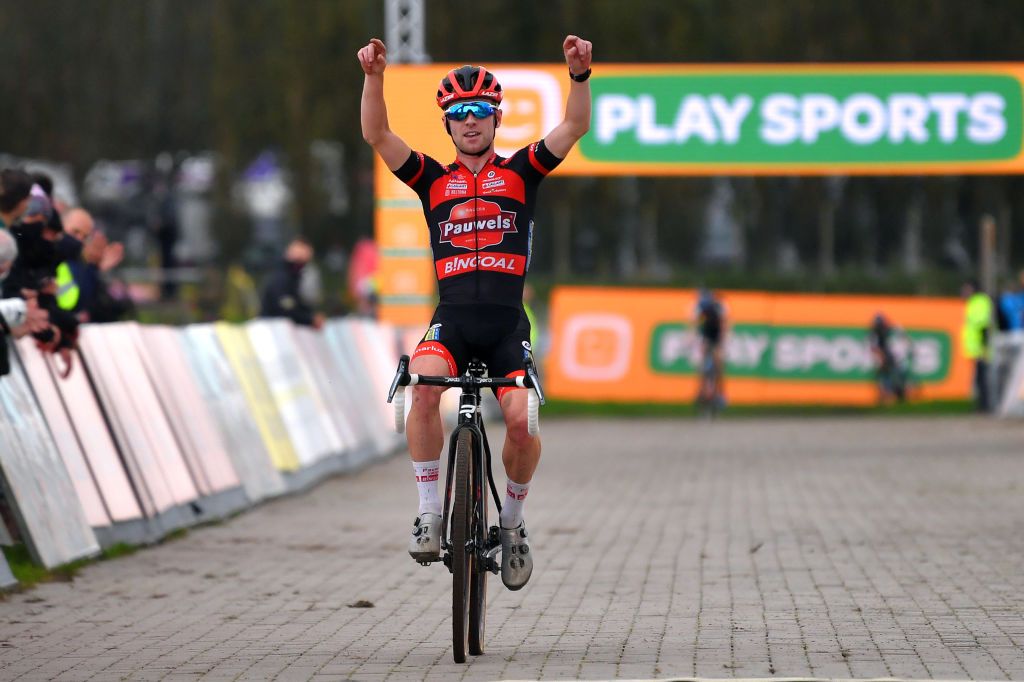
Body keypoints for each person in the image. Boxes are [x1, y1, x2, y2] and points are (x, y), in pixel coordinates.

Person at [358, 34, 592, 590]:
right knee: (422, 389)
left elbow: (573, 127)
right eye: (459, 113)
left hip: (507, 324)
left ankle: (511, 525)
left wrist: (579, 76)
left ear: (495, 118)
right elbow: (377, 134)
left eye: (480, 111)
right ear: (447, 123)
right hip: (454, 321)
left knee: (519, 420)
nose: (470, 121)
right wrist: (373, 76)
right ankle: (429, 514)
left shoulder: (523, 171)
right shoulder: (432, 180)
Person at [259, 237, 325, 329]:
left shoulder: (293, 277)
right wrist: (310, 319)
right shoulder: (281, 278)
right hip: (274, 330)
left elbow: (295, 304)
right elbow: (285, 309)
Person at [961, 279, 993, 412]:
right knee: (980, 379)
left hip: (982, 349)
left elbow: (983, 326)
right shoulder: (974, 303)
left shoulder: (979, 302)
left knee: (984, 379)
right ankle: (982, 405)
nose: (963, 292)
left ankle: (986, 406)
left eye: (966, 289)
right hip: (978, 349)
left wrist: (983, 349)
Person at [693, 288, 727, 409]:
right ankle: (701, 391)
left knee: (718, 365)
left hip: (716, 336)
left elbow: (723, 325)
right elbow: (697, 325)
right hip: (706, 336)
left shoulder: (719, 308)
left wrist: (721, 341)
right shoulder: (701, 310)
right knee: (702, 366)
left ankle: (721, 393)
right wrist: (695, 338)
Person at [869, 312, 906, 404]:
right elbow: (875, 348)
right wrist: (881, 357)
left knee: (892, 375)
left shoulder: (888, 331)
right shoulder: (876, 333)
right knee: (885, 377)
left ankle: (895, 395)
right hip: (883, 358)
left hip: (889, 357)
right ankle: (886, 396)